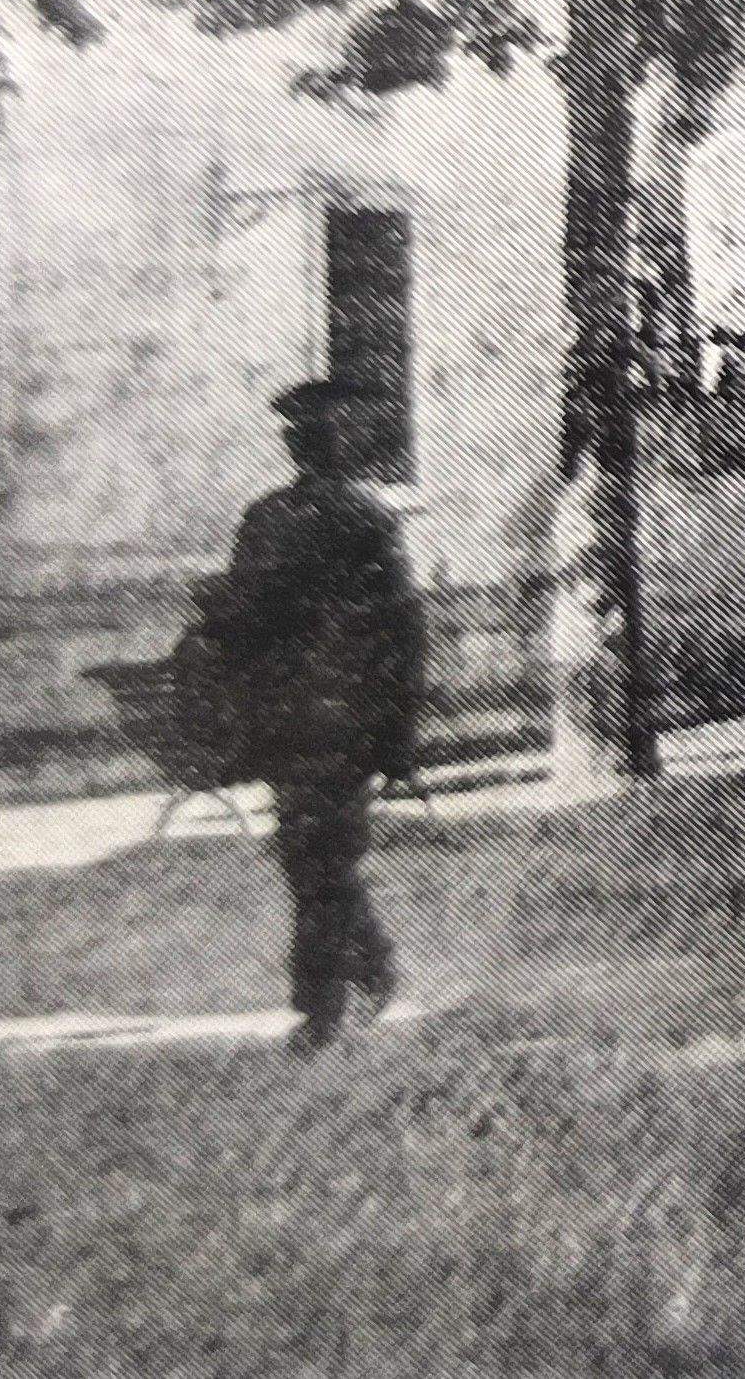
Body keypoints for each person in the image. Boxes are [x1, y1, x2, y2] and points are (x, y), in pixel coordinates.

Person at [205, 379, 429, 1051]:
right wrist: (397, 735)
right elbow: (404, 634)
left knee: (313, 860)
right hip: (343, 720)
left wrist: (219, 619)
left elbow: (241, 623)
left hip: (299, 719)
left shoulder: (270, 519)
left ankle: (324, 1004)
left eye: (304, 436)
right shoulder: (368, 519)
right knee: (322, 859)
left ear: (301, 447)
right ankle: (367, 968)